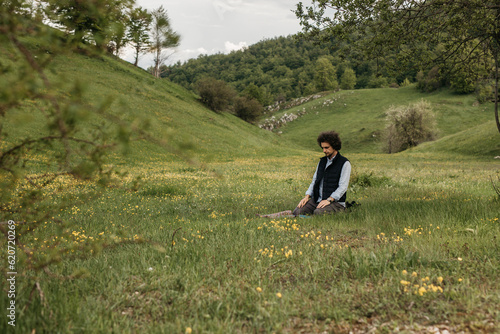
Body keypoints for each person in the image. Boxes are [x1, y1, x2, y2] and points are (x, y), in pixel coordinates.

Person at [293, 130, 351, 216]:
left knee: (318, 213)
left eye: (326, 148)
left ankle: (341, 211)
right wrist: (307, 197)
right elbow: (314, 181)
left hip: (336, 203)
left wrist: (329, 200)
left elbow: (343, 187)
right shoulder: (322, 162)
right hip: (318, 200)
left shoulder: (344, 163)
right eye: (322, 148)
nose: (324, 150)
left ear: (334, 146)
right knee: (298, 211)